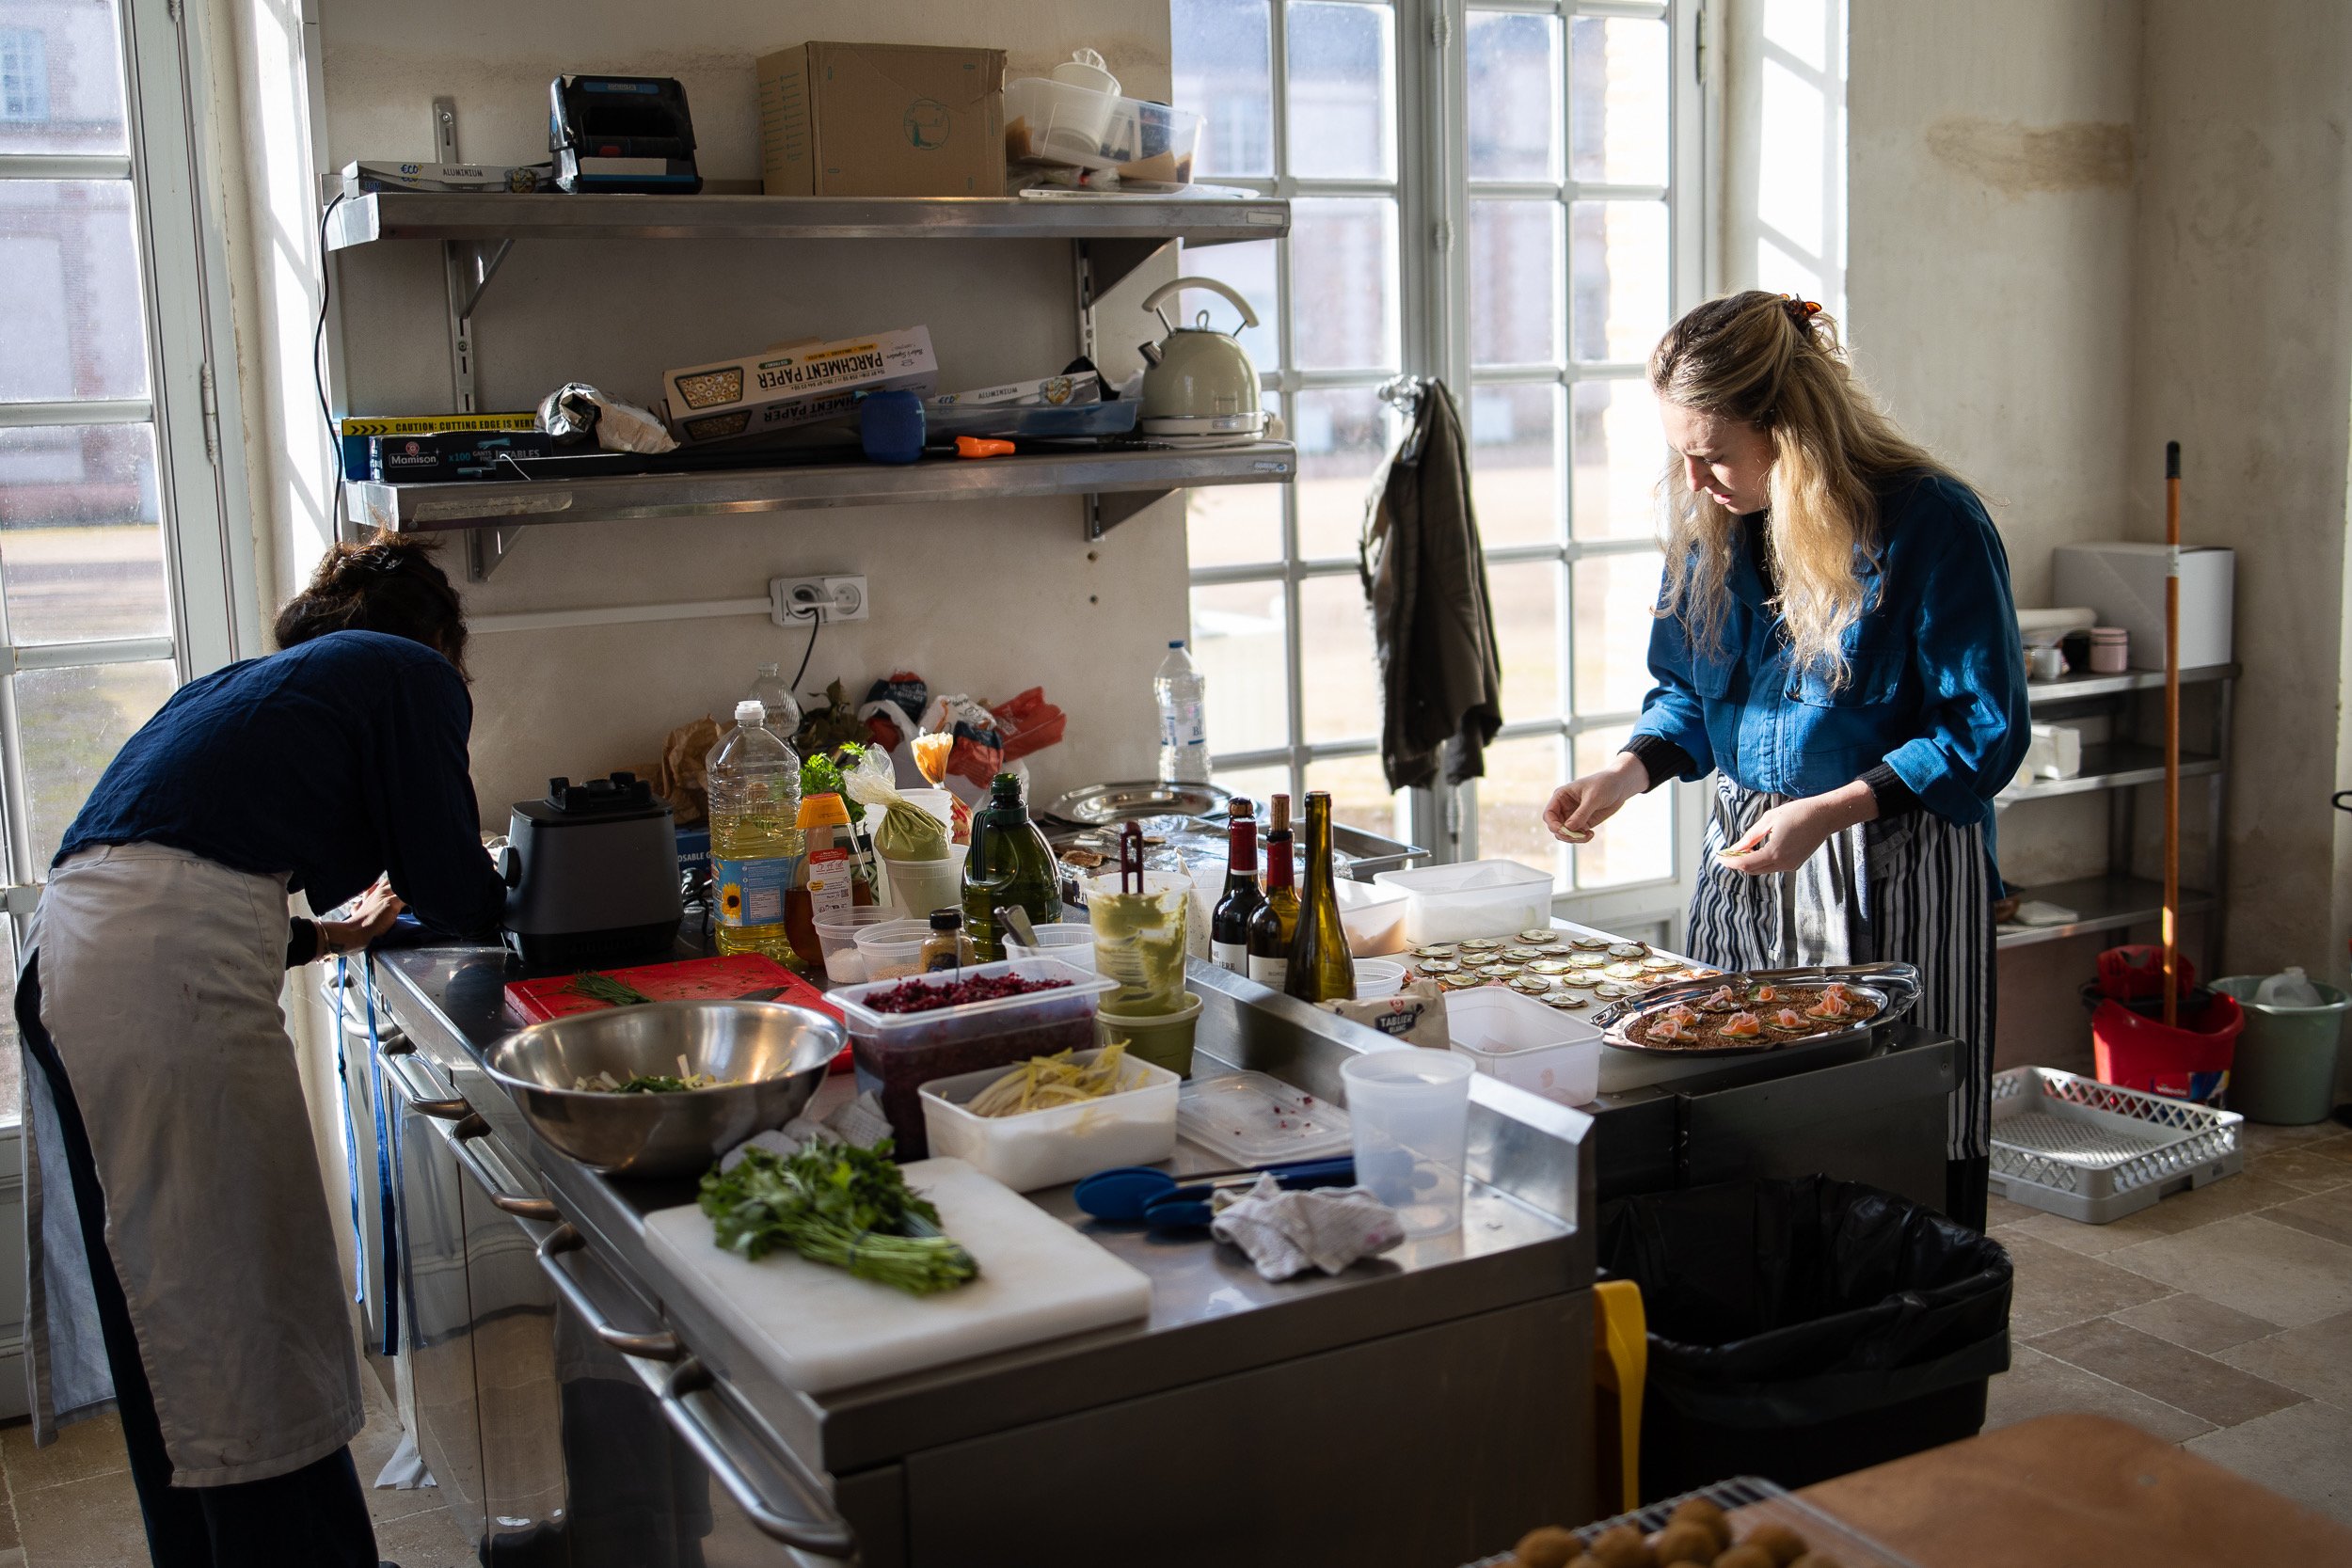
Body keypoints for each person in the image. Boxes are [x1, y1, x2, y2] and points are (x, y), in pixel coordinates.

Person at [14, 534, 507, 1567]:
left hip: (72, 956)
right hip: (154, 980)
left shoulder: (245, 684)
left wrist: (329, 935)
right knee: (246, 1314)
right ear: (438, 639)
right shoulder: (406, 670)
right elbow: (458, 888)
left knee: (172, 1309)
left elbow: (177, 869)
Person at [1543, 292, 2028, 1230]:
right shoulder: (1719, 529)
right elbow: (1690, 693)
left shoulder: (1930, 525)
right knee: (1740, 1118)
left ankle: (1902, 1321)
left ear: (1792, 429)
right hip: (1752, 846)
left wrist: (1830, 809)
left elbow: (1983, 729)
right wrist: (1626, 771)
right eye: (1681, 451)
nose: (1694, 475)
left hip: (1892, 860)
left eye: (1713, 451)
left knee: (1886, 1132)